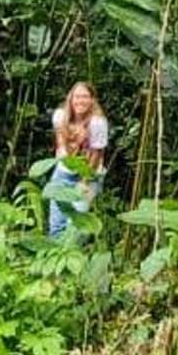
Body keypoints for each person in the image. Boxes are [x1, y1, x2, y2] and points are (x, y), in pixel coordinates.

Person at [45, 81, 108, 238]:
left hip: (88, 176)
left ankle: (74, 257)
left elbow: (97, 154)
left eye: (85, 97)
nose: (81, 101)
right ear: (71, 99)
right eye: (77, 96)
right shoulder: (61, 116)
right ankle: (57, 260)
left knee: (76, 227)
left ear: (92, 100)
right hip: (63, 173)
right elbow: (60, 143)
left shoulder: (97, 122)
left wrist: (85, 181)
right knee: (57, 225)